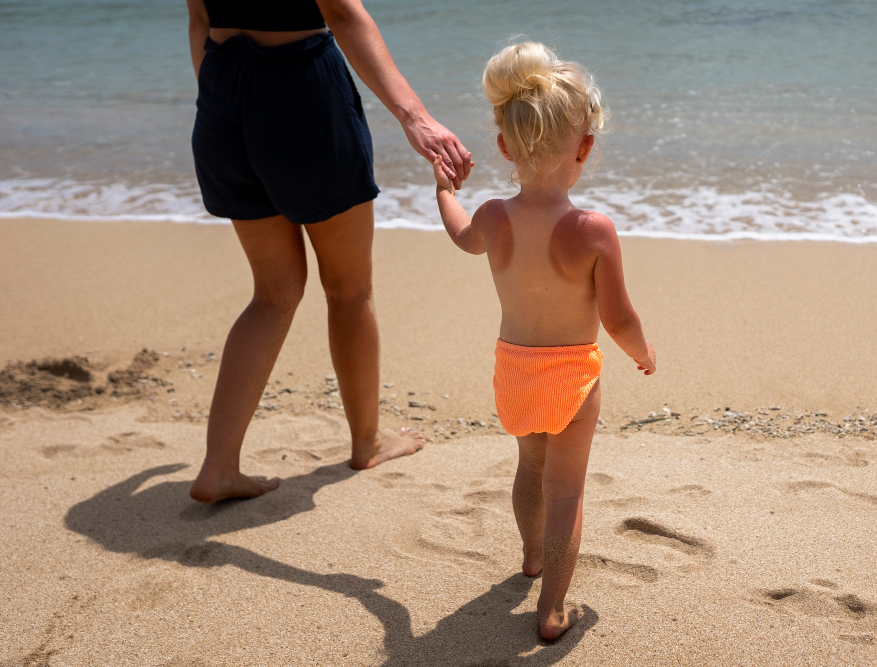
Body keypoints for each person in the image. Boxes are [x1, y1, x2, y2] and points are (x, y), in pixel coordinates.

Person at [184, 0, 473, 503]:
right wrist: (416, 117)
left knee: (272, 295)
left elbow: (199, 18)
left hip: (221, 93)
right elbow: (341, 13)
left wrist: (222, 101)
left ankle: (218, 466)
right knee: (348, 288)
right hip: (301, 94)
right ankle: (367, 442)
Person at [432, 42, 656, 640]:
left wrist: (444, 192)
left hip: (514, 368)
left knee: (530, 466)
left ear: (504, 146)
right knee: (567, 488)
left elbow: (460, 236)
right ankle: (553, 608)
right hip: (571, 374)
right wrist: (642, 353)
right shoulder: (591, 230)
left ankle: (531, 559)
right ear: (585, 147)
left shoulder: (492, 217)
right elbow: (619, 317)